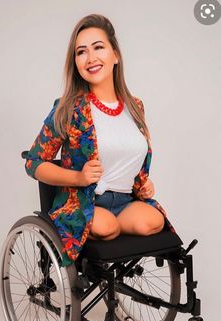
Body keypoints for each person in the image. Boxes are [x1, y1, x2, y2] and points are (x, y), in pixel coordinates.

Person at [25, 13, 177, 267]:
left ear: (115, 55)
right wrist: (78, 177)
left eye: (98, 47)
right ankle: (107, 228)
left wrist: (144, 184)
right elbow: (33, 163)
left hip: (126, 201)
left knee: (154, 221)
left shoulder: (135, 106)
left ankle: (115, 225)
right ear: (75, 62)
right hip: (84, 202)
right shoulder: (69, 108)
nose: (91, 58)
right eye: (81, 52)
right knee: (106, 227)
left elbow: (129, 156)